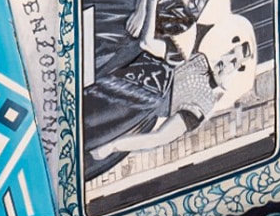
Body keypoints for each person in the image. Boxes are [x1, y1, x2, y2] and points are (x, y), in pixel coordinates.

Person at [84, 14, 258, 175]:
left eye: (234, 62)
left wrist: (114, 146)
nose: (226, 62)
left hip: (132, 109)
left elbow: (160, 138)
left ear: (237, 71)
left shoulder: (204, 103)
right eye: (230, 52)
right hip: (127, 67)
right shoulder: (198, 52)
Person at [84, 0, 232, 82]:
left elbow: (146, 43)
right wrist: (141, 11)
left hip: (126, 43)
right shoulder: (178, 2)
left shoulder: (185, 41)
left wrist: (150, 3)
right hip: (125, 9)